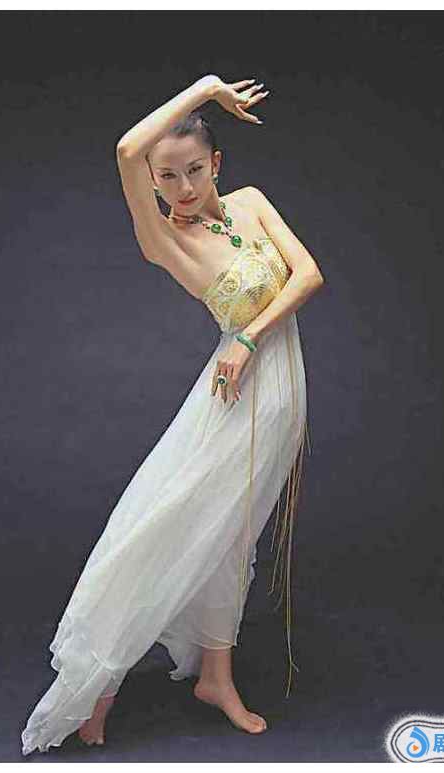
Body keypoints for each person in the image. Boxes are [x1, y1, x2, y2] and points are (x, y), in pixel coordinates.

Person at [20, 73, 324, 756]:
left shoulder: (251, 203)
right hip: (233, 401)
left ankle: (216, 677)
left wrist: (248, 337)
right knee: (162, 527)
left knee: (232, 541)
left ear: (216, 163)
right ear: (153, 183)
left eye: (194, 170)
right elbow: (127, 149)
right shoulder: (163, 239)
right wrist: (207, 88)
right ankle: (98, 684)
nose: (183, 186)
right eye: (168, 176)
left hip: (278, 394)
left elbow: (308, 275)